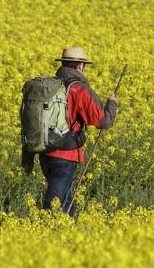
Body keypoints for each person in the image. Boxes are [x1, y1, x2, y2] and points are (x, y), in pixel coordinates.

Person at [23, 46, 119, 216]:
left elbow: (32, 121)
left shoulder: (49, 87)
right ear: (80, 66)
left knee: (65, 198)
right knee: (55, 202)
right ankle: (48, 230)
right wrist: (111, 104)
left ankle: (69, 232)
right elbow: (102, 121)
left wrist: (27, 158)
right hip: (65, 156)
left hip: (44, 152)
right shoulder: (78, 89)